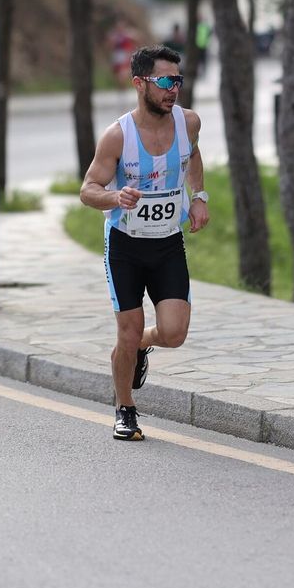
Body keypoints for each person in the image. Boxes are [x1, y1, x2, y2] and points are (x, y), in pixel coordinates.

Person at [80, 45, 211, 441]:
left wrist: (199, 197)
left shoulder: (188, 123)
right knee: (127, 329)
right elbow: (88, 190)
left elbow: (194, 156)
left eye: (179, 80)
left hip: (168, 242)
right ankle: (125, 408)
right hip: (126, 244)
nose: (174, 89)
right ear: (140, 84)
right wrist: (114, 197)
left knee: (173, 333)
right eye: (165, 81)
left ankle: (139, 348)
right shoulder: (118, 136)